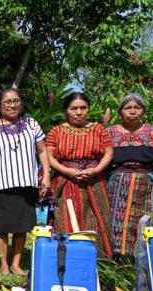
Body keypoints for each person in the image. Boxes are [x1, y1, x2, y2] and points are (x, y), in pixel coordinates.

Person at [0, 89, 50, 275]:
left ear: (21, 104)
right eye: (7, 102)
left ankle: (16, 264)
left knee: (23, 226)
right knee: (3, 227)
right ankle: (4, 264)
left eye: (15, 101)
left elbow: (42, 151)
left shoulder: (31, 124)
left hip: (28, 182)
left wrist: (46, 176)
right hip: (3, 184)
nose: (12, 105)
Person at [46, 92, 114, 257]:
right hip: (66, 179)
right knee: (66, 216)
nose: (78, 112)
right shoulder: (56, 131)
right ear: (66, 110)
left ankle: (99, 259)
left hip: (94, 180)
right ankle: (65, 256)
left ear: (88, 109)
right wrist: (67, 171)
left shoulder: (98, 129)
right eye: (73, 108)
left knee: (97, 216)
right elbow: (49, 156)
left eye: (83, 108)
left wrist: (96, 170)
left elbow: (109, 152)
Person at [107, 93, 153, 257]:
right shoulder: (110, 132)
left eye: (137, 107)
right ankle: (118, 260)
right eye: (128, 108)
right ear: (120, 112)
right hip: (118, 181)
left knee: (146, 219)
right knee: (116, 219)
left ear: (143, 111)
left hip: (147, 182)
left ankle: (145, 258)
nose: (132, 111)